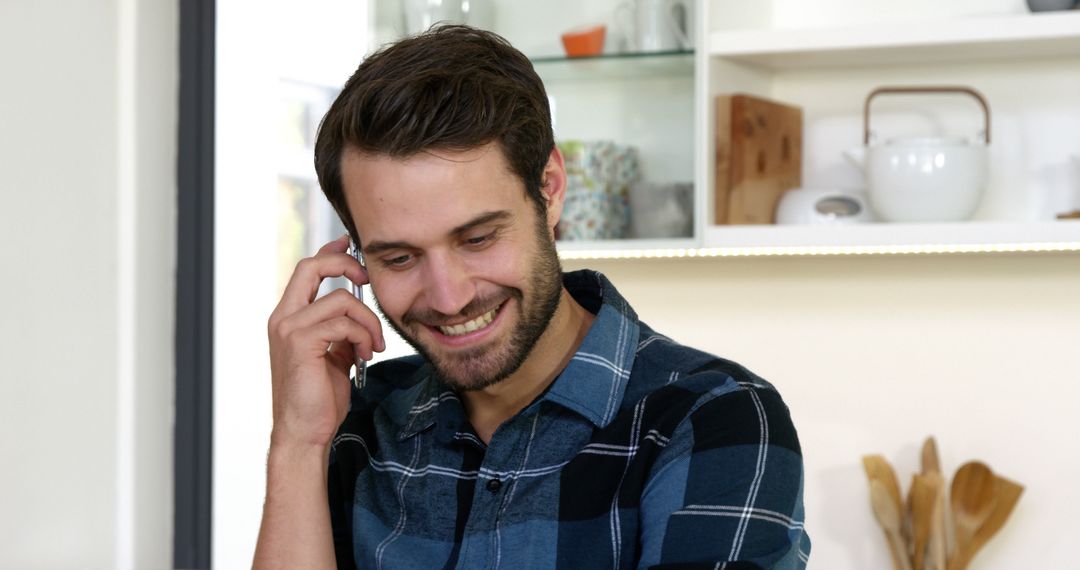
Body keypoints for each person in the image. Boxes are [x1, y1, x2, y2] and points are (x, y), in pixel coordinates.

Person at [254, 25, 809, 569]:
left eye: (477, 239)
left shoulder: (714, 420)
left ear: (548, 192)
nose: (449, 298)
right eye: (399, 258)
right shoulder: (353, 424)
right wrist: (297, 444)